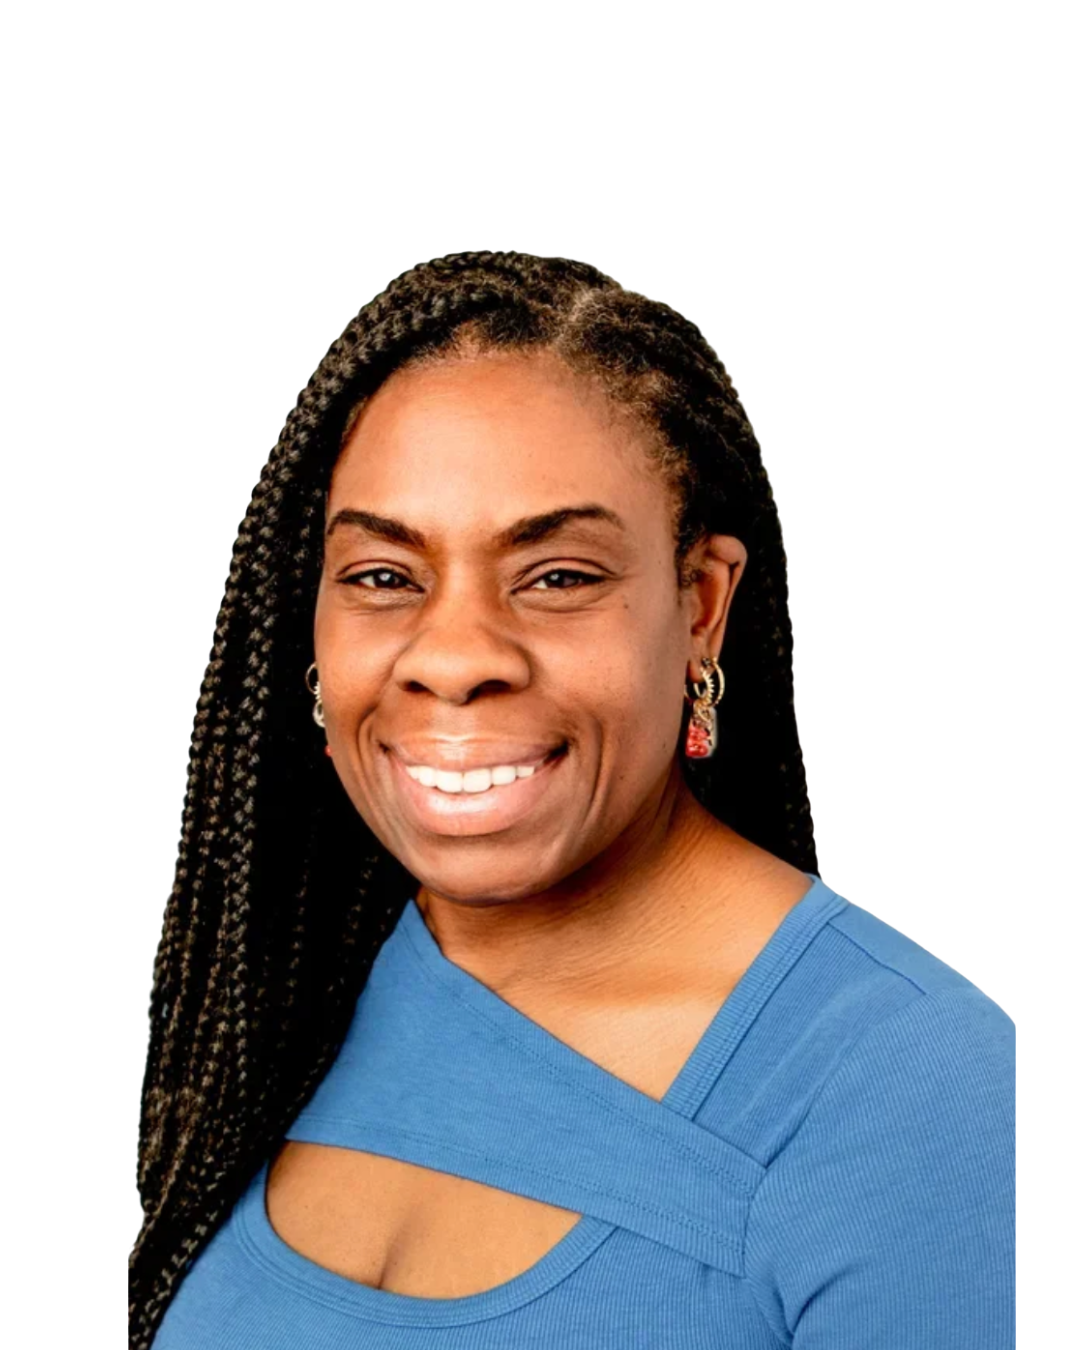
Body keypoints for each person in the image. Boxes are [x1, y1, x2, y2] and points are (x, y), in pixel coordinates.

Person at [130, 251, 1015, 1349]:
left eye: (557, 577)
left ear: (701, 607)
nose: (455, 658)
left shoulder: (924, 1095)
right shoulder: (285, 999)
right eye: (383, 577)